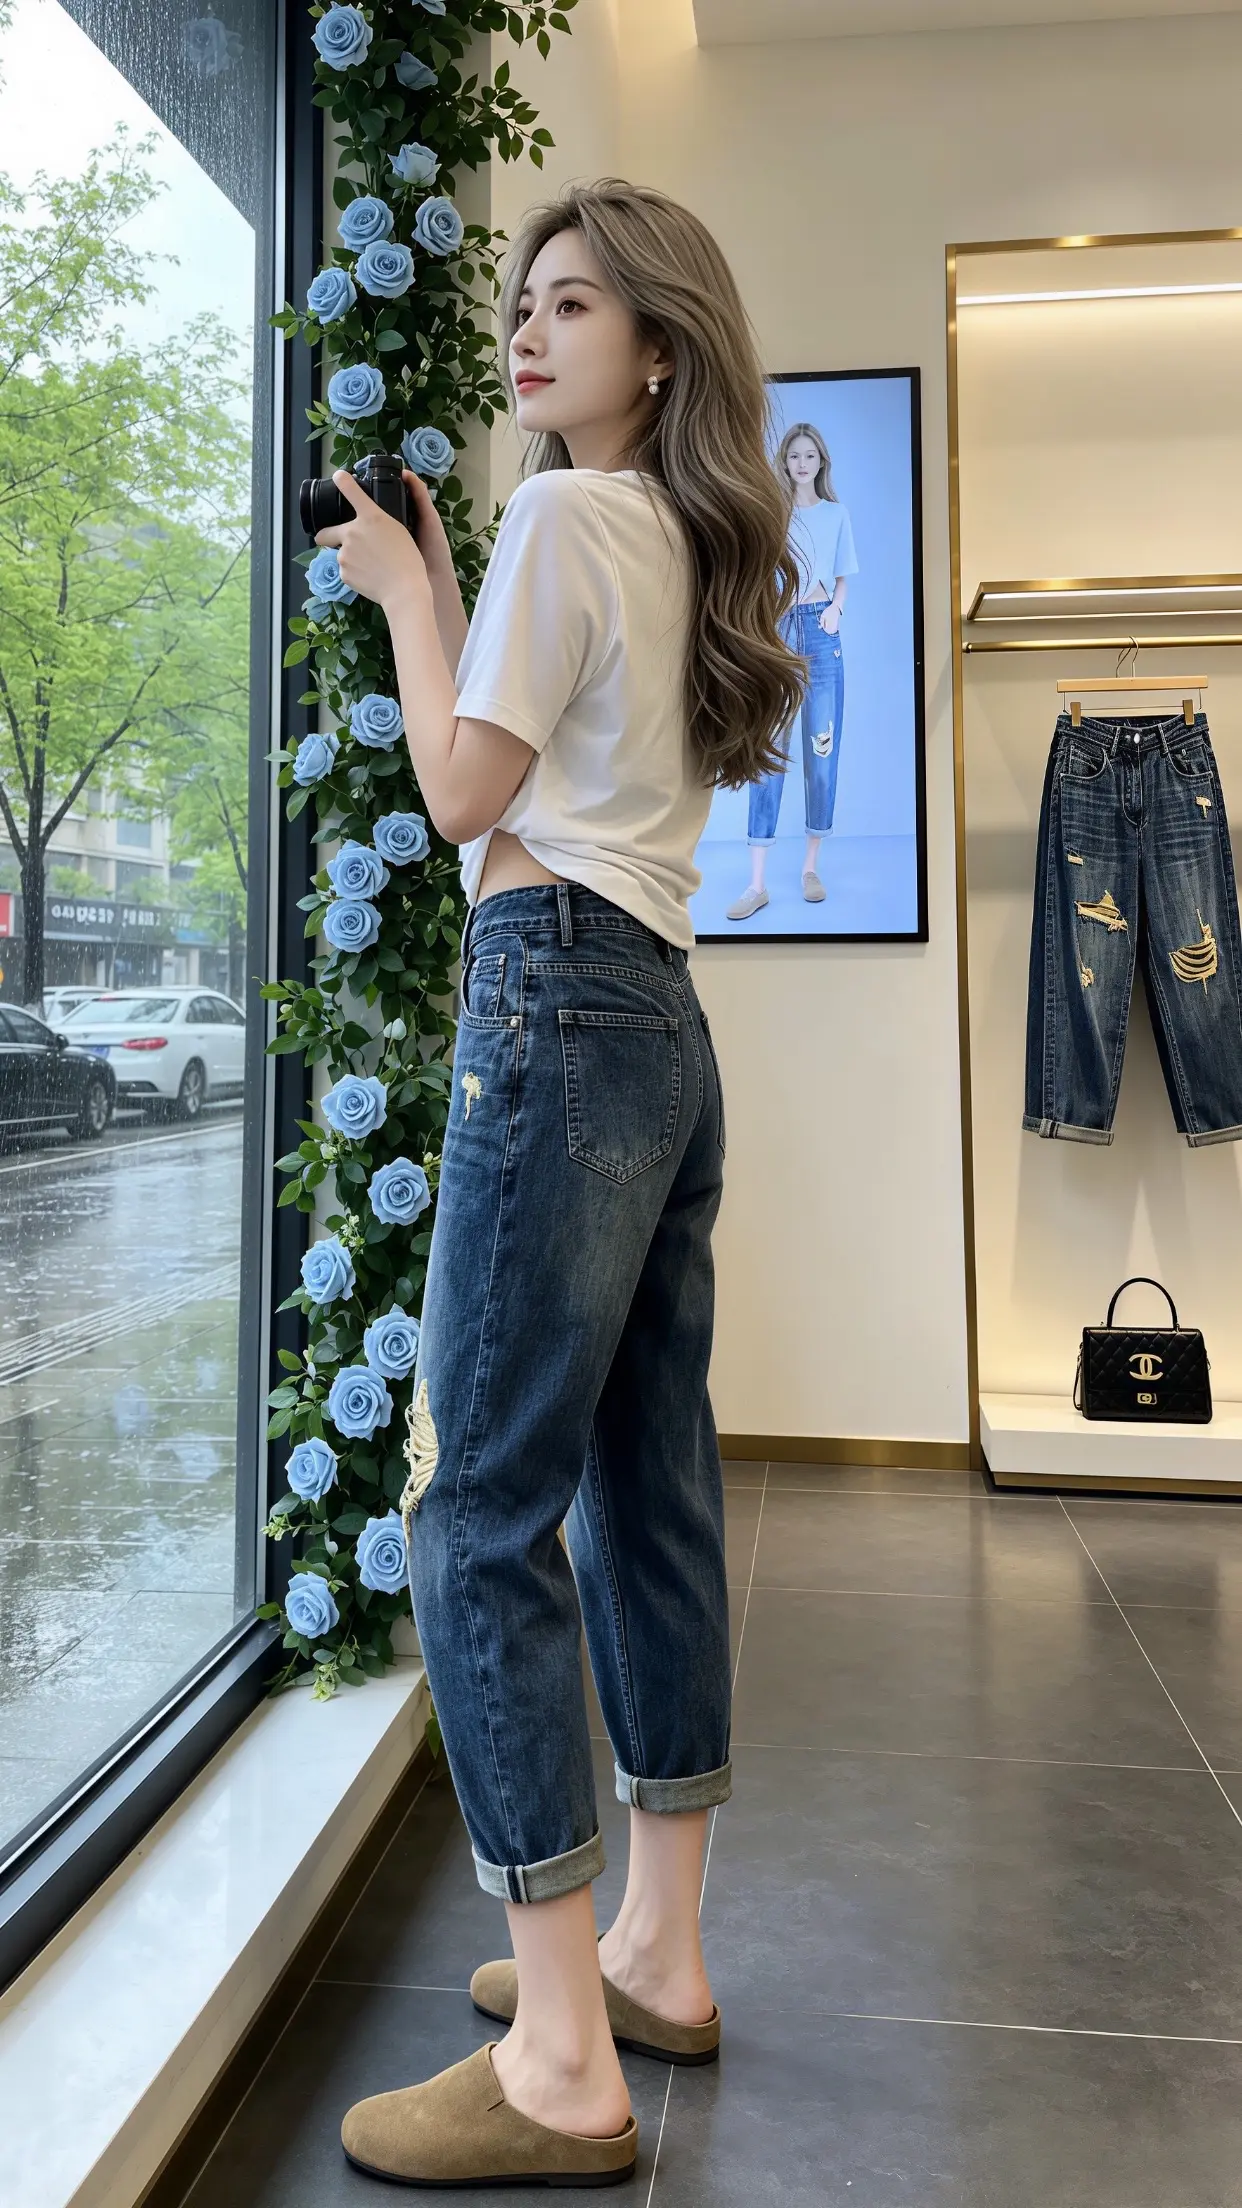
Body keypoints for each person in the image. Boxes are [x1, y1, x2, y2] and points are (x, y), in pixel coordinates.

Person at [311, 178, 803, 2191]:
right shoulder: (679, 537)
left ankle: (559, 2064)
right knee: (643, 1487)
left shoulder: (569, 520)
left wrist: (402, 596)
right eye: (525, 299)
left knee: (473, 1509)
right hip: (661, 1019)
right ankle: (654, 1954)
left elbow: (460, 795)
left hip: (554, 1003)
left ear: (659, 348)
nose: (528, 328)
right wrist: (450, 584)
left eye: (575, 303)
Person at [727, 420, 859, 921]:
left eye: (810, 456)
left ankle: (810, 868)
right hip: (777, 629)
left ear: (821, 462)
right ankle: (756, 883)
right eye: (794, 455)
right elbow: (754, 572)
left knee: (822, 752)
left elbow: (843, 574)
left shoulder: (836, 514)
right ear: (784, 461)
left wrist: (836, 610)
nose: (802, 463)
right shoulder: (772, 513)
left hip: (822, 631)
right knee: (768, 753)